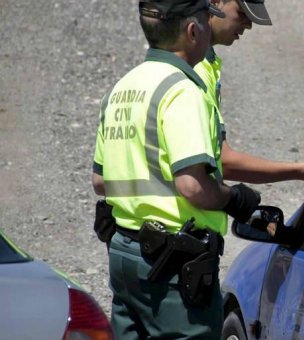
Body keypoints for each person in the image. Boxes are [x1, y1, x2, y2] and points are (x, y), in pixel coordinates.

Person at [91, 0, 265, 337]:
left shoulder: (121, 89)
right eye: (206, 18)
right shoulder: (183, 91)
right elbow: (194, 187)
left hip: (125, 254)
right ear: (192, 30)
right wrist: (235, 198)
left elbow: (101, 181)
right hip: (172, 269)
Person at [195, 0, 304, 191]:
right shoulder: (194, 69)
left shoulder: (204, 63)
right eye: (242, 13)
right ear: (215, 2)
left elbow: (218, 158)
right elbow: (224, 162)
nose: (249, 25)